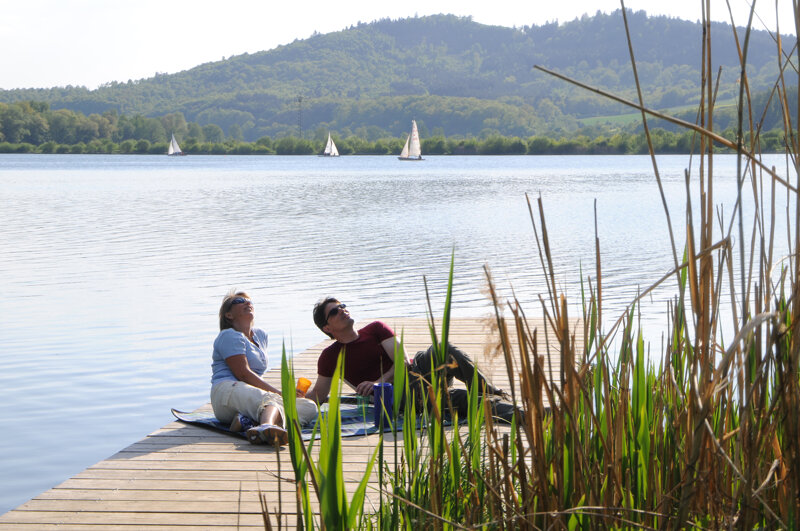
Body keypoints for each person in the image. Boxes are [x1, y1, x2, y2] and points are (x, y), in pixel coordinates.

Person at [304, 297, 517, 423]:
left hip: (416, 370)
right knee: (457, 398)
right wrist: (293, 397)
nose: (343, 310)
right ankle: (522, 414)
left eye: (343, 305)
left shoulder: (375, 329)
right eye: (335, 310)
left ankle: (489, 391)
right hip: (399, 396)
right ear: (327, 328)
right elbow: (320, 395)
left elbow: (403, 362)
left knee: (442, 350)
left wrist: (378, 381)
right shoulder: (330, 356)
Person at [210, 291, 318, 446]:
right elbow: (243, 374)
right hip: (226, 393)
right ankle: (266, 426)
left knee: (309, 407)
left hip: (246, 398)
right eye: (240, 301)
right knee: (272, 398)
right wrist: (281, 393)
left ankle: (245, 421)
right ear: (228, 315)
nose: (247, 302)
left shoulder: (260, 335)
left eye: (249, 300)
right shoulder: (229, 335)